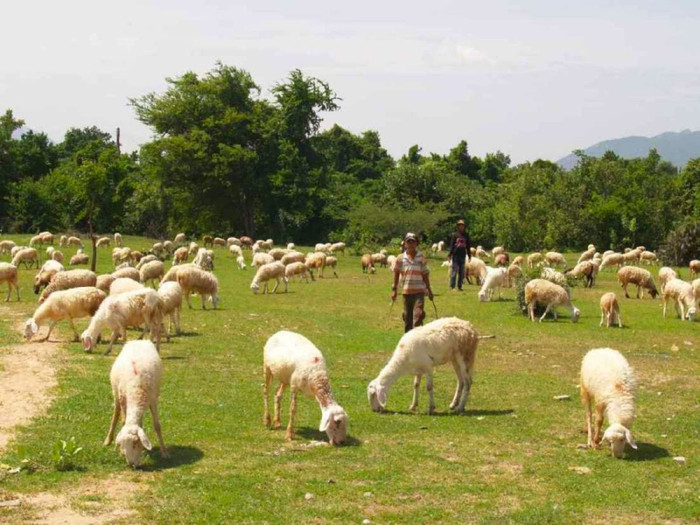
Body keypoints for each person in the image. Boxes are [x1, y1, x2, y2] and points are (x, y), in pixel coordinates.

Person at [391, 232, 433, 333]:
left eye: (412, 242)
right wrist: (394, 290)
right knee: (407, 317)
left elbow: (425, 275)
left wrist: (429, 290)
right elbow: (396, 274)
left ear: (416, 244)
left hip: (419, 292)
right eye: (408, 242)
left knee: (418, 316)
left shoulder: (421, 257)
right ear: (405, 244)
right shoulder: (400, 258)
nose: (410, 244)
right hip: (406, 292)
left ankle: (417, 340)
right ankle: (408, 340)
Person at [448, 219, 472, 291]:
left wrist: (469, 255)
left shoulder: (466, 235)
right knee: (454, 271)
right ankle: (453, 286)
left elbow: (468, 245)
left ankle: (460, 286)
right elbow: (452, 245)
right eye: (460, 225)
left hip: (462, 255)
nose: (461, 227)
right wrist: (450, 254)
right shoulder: (455, 235)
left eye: (462, 225)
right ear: (458, 226)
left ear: (464, 226)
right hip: (455, 255)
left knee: (461, 271)